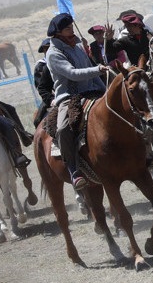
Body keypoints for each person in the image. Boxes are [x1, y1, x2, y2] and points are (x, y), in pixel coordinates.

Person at [43, 13, 108, 189]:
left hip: (92, 92)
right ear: (58, 33)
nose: (71, 30)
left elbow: (89, 71)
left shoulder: (78, 47)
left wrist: (105, 92)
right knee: (64, 128)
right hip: (69, 97)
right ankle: (73, 170)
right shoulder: (53, 53)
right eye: (67, 29)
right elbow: (72, 74)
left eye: (72, 27)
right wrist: (98, 69)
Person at [30, 39, 55, 128]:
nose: (48, 50)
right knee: (38, 120)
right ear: (43, 51)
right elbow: (39, 84)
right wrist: (51, 97)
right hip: (50, 96)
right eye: (46, 49)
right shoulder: (41, 66)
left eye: (50, 48)